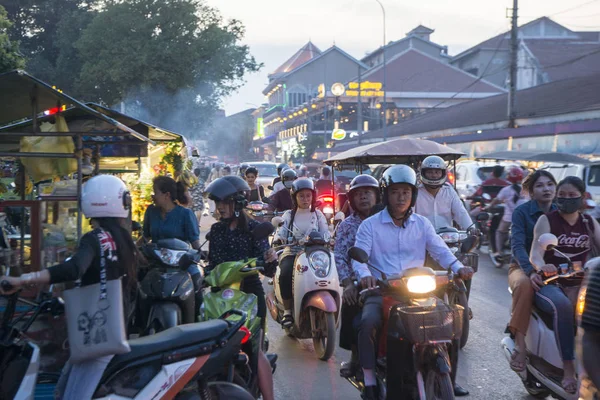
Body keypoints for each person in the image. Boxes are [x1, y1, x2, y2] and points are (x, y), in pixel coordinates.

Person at [0, 175, 137, 399]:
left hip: (96, 335)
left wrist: (22, 280)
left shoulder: (94, 238)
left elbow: (74, 269)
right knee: (62, 391)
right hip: (111, 328)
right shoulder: (122, 239)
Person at [352, 165, 474, 399]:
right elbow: (360, 257)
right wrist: (364, 274)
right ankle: (368, 379)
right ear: (386, 194)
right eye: (396, 192)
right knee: (368, 322)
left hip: (419, 291)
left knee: (450, 322)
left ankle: (449, 376)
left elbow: (441, 251)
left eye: (406, 192)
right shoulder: (370, 225)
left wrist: (458, 267)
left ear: (413, 195)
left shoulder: (422, 224)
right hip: (382, 289)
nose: (401, 198)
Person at [204, 175, 277, 400]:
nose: (220, 209)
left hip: (249, 294)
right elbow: (213, 265)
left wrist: (270, 259)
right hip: (221, 297)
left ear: (238, 203)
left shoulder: (255, 229)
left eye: (224, 203)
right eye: (218, 204)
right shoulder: (216, 231)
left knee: (255, 353)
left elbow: (269, 271)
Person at [529, 176, 600, 394]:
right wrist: (544, 266)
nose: (566, 199)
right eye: (562, 195)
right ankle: (568, 369)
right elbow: (535, 254)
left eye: (571, 196)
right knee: (563, 307)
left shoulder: (589, 222)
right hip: (553, 283)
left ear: (582, 197)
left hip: (584, 283)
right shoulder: (547, 220)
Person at [508, 170, 557, 373]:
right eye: (540, 185)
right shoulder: (522, 212)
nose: (546, 189)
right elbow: (517, 246)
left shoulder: (561, 211)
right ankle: (520, 346)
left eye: (550, 184)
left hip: (554, 270)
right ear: (530, 191)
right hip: (521, 268)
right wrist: (530, 271)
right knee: (527, 286)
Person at [333, 175, 380, 379]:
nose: (363, 198)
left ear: (377, 196)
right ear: (352, 199)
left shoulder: (390, 221)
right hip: (358, 281)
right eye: (359, 194)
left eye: (367, 193)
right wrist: (347, 284)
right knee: (352, 307)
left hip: (390, 279)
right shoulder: (346, 226)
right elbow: (340, 257)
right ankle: (355, 357)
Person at [274, 178, 330, 328]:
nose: (305, 199)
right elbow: (281, 231)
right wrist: (279, 238)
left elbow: (326, 232)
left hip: (314, 254)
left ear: (313, 196)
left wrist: (329, 239)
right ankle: (287, 311)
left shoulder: (318, 215)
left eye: (308, 195)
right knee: (285, 272)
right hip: (292, 252)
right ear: (295, 197)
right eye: (301, 196)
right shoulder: (288, 215)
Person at [414, 155, 473, 231]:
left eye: (437, 172)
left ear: (443, 173)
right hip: (421, 237)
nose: (434, 175)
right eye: (430, 172)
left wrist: (471, 228)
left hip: (447, 238)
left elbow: (460, 212)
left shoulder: (449, 190)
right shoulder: (416, 192)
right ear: (423, 173)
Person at [142, 176, 200, 249]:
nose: (152, 196)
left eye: (155, 192)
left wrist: (200, 253)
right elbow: (146, 237)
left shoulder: (186, 214)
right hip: (154, 258)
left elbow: (194, 241)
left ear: (167, 195)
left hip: (179, 258)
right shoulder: (151, 211)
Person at [486, 166, 527, 266]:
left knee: (499, 232)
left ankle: (498, 252)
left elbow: (496, 200)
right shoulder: (526, 189)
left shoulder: (506, 189)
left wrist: (489, 206)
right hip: (524, 218)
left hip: (509, 218)